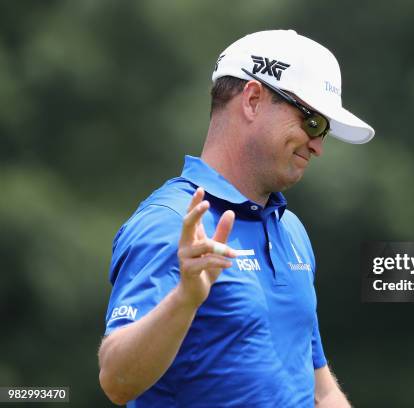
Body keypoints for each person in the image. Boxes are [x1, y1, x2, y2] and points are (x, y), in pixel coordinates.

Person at [98, 29, 375, 407]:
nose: (318, 146)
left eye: (324, 130)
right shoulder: (172, 222)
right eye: (312, 122)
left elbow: (319, 388)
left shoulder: (289, 230)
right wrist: (185, 299)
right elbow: (117, 380)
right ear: (253, 99)